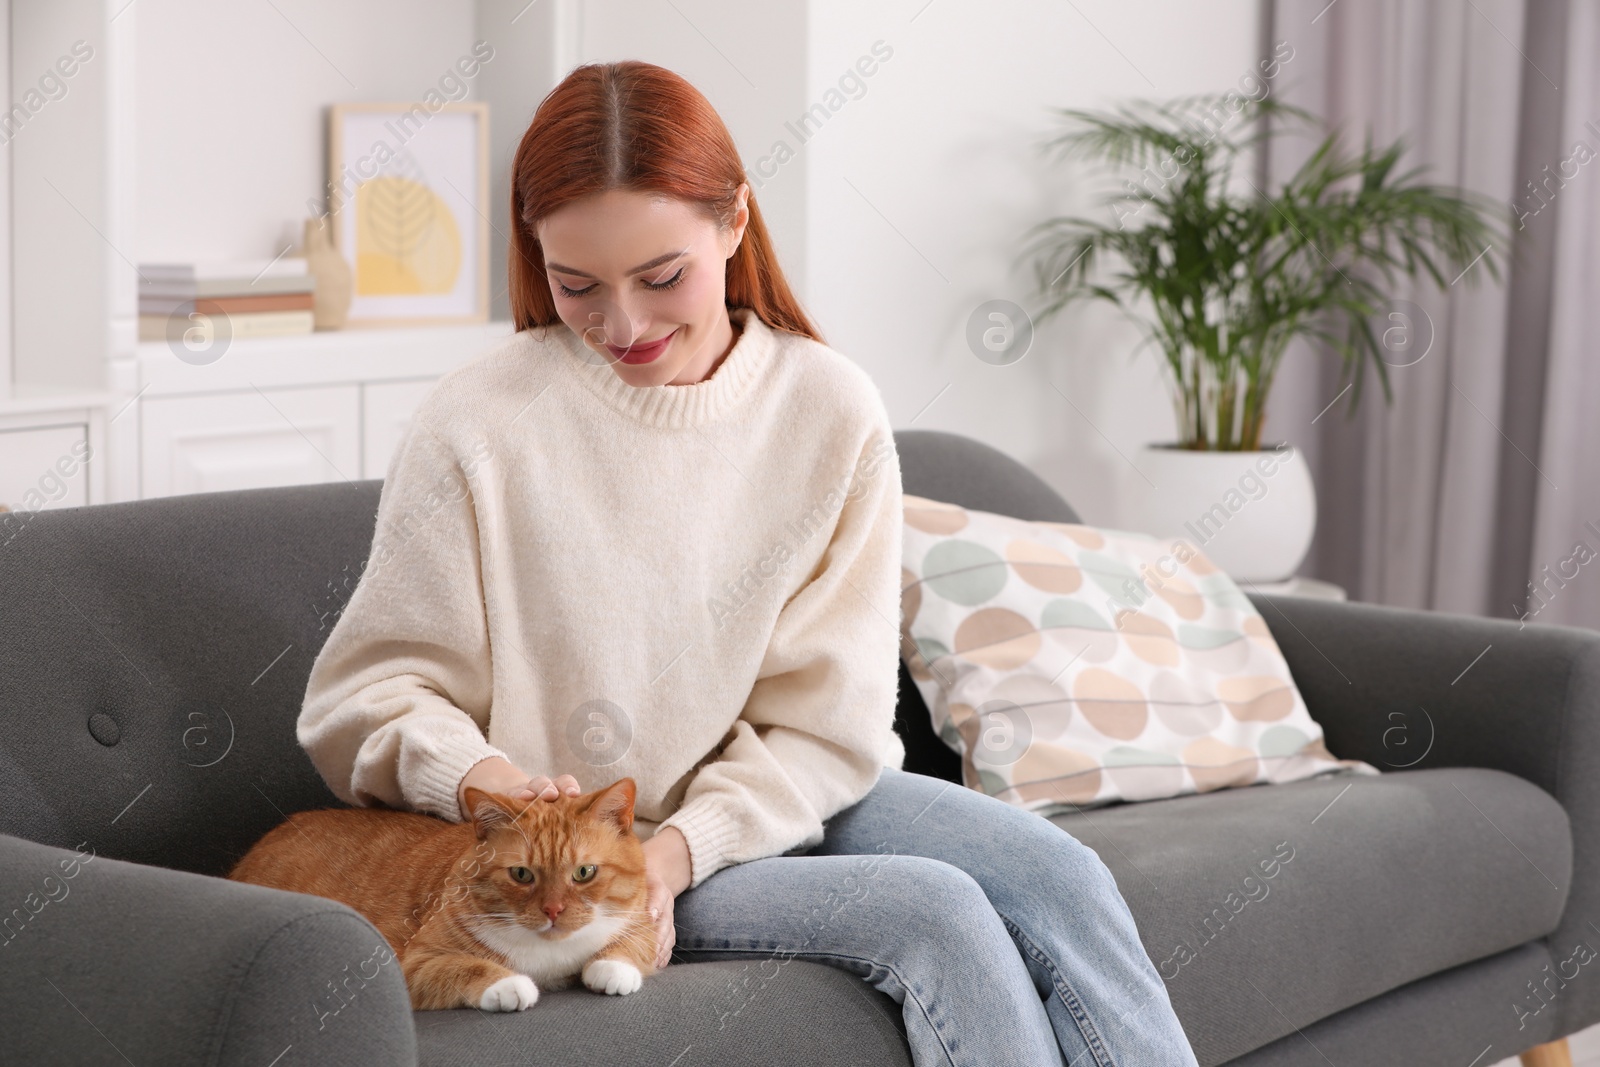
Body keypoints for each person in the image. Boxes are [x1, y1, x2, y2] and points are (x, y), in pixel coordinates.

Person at [297, 58, 1198, 1067]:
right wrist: (485, 778)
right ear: (534, 254)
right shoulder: (476, 422)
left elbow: (830, 722)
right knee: (934, 910)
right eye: (576, 284)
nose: (623, 326)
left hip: (764, 808)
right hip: (580, 856)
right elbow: (365, 695)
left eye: (662, 276)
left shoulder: (830, 411)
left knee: (1060, 876)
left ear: (733, 222)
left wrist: (683, 849)